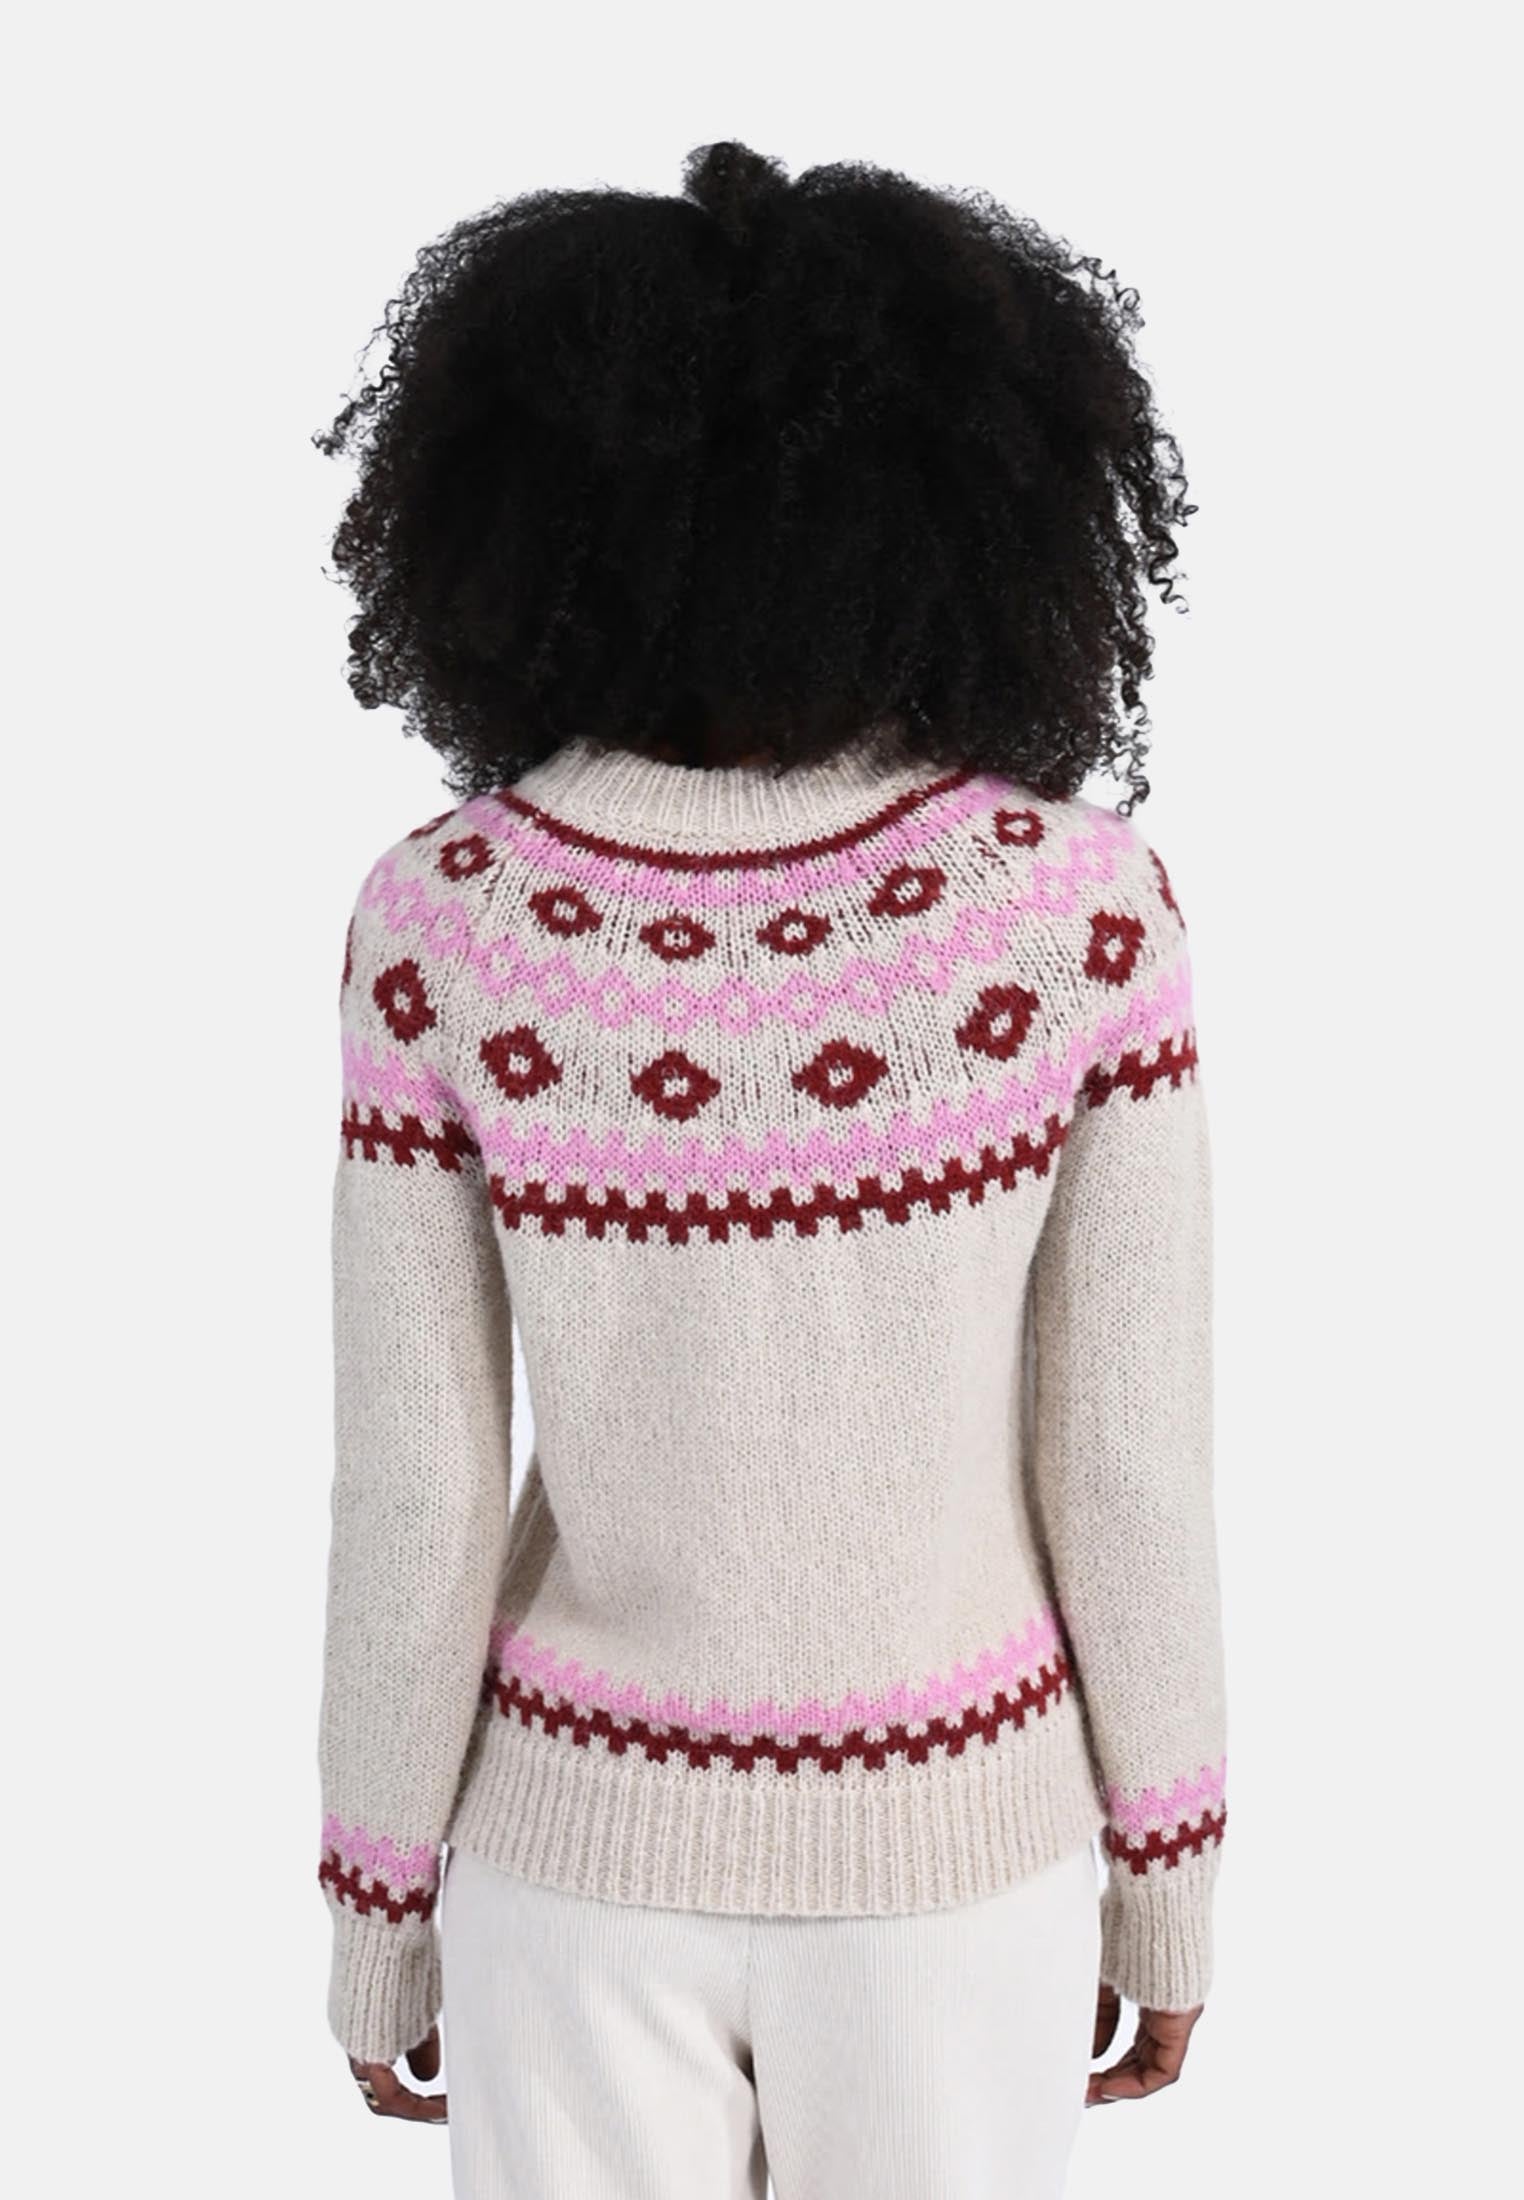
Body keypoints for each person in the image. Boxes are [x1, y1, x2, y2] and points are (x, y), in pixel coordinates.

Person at [312, 138, 1226, 2200]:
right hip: (960, 1868)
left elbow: (417, 1489)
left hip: (568, 1869)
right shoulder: (1079, 914)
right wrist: (1168, 1874)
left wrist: (378, 1909)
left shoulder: (442, 918)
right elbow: (1126, 1460)